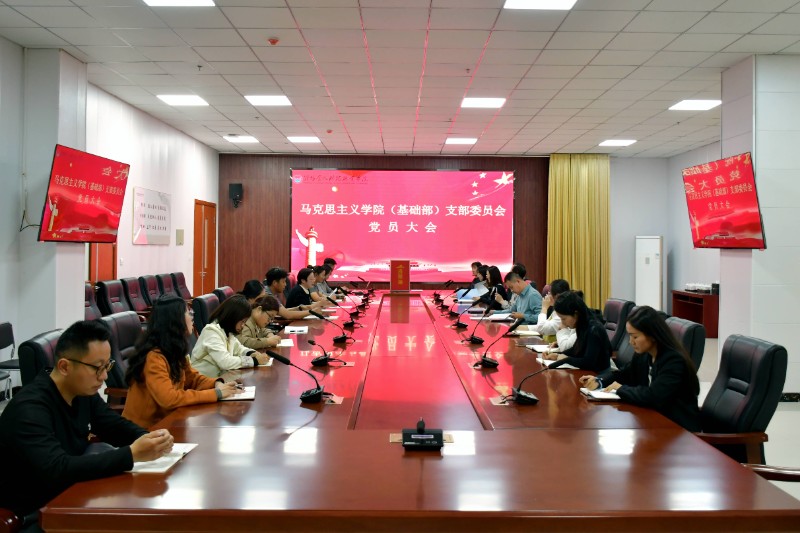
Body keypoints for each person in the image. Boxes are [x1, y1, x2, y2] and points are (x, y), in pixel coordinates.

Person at [0, 320, 174, 528]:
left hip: (72, 493)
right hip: (35, 514)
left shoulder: (81, 391)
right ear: (64, 366)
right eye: (97, 368)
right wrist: (131, 454)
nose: (104, 376)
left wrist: (150, 438)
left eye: (107, 365)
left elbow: (112, 425)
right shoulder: (29, 409)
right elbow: (57, 469)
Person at [122, 295, 240, 429]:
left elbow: (193, 379)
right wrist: (216, 393)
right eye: (188, 313)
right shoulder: (154, 357)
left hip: (168, 422)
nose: (192, 317)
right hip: (144, 431)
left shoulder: (173, 349)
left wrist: (216, 383)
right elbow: (169, 399)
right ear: (175, 320)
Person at [579, 306, 701, 431]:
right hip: (653, 420)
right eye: (630, 336)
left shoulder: (673, 361)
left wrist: (621, 389)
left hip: (678, 429)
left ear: (652, 335)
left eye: (635, 337)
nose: (631, 342)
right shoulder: (644, 355)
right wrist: (599, 381)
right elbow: (623, 374)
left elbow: (654, 396)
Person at [191, 294, 271, 377]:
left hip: (219, 378)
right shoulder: (211, 332)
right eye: (242, 321)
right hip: (200, 381)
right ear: (233, 317)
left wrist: (252, 353)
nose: (243, 325)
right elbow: (225, 362)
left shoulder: (227, 332)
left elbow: (239, 348)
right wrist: (254, 360)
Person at [543, 291, 611, 372]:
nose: (562, 323)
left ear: (576, 314)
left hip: (598, 375)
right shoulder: (582, 324)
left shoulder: (594, 329)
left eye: (563, 319)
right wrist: (558, 355)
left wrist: (565, 359)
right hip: (588, 373)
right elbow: (576, 349)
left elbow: (588, 362)